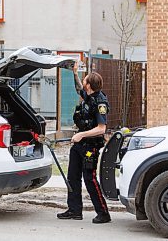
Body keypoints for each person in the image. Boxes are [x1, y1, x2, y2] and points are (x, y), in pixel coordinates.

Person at [57, 62, 111, 224]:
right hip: (79, 145)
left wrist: (81, 135)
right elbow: (78, 88)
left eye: (85, 80)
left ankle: (103, 213)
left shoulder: (100, 103)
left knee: (90, 179)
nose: (83, 82)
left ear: (89, 85)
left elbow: (102, 128)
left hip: (91, 147)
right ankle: (74, 210)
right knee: (72, 177)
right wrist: (74, 73)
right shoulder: (89, 95)